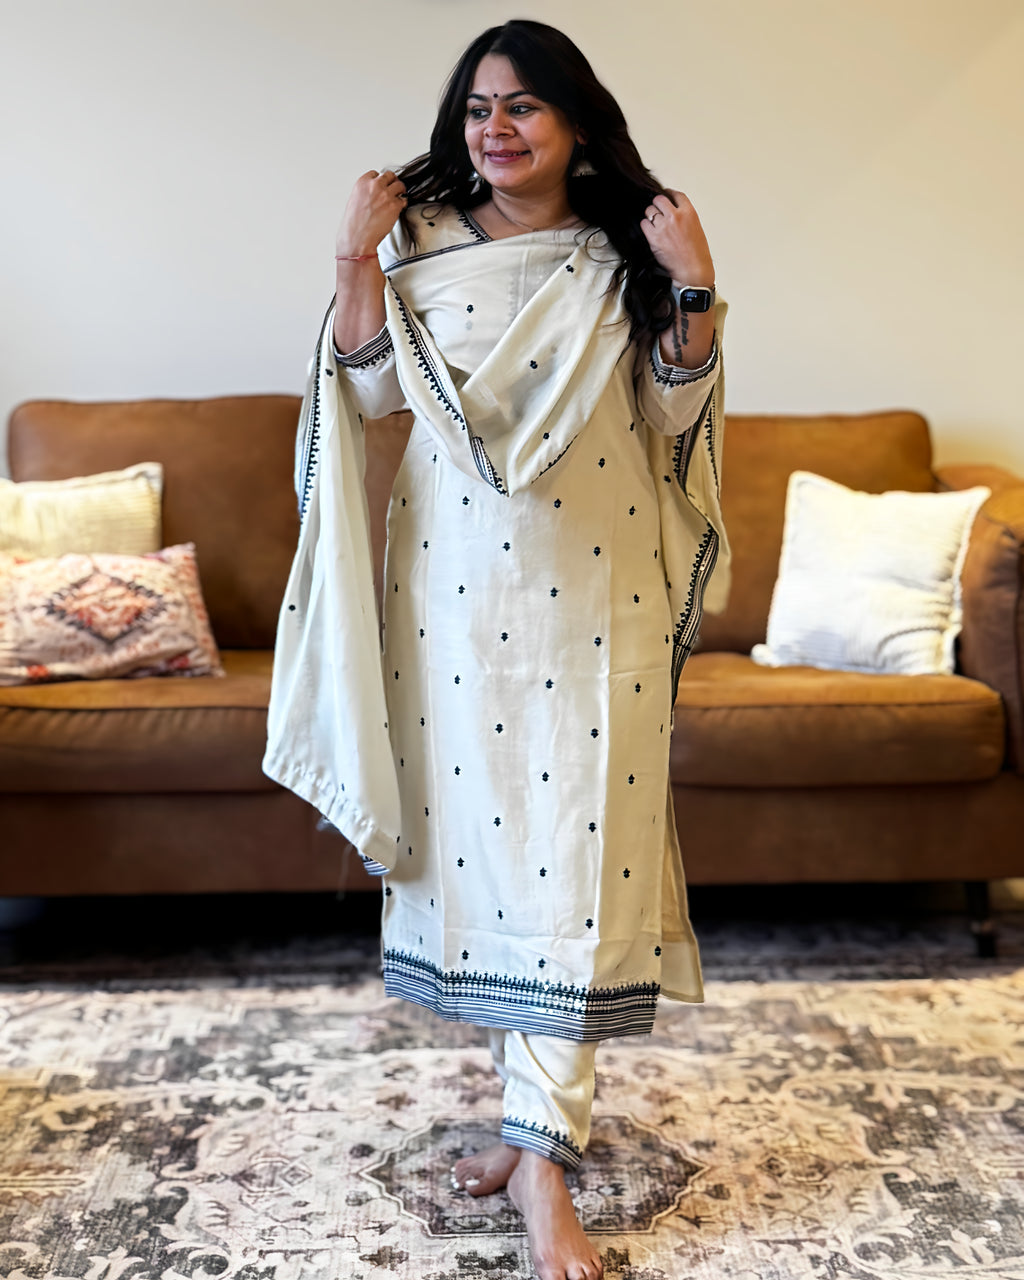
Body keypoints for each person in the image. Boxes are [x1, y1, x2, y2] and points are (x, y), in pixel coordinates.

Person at [265, 19, 728, 1280]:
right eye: (479, 108)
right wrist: (352, 256)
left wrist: (694, 284)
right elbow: (369, 394)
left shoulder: (622, 250)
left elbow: (673, 409)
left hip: (599, 594)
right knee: (492, 861)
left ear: (576, 121)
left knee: (574, 864)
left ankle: (542, 1165)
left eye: (523, 105)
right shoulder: (418, 240)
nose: (497, 128)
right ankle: (532, 1139)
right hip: (455, 597)